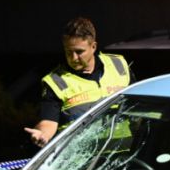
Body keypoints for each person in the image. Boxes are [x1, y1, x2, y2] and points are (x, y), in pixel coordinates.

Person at [24, 17, 131, 147]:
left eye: (79, 52)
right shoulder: (56, 81)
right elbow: (48, 122)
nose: (74, 58)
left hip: (126, 155)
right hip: (82, 162)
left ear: (93, 46)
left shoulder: (118, 65)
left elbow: (141, 104)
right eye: (69, 52)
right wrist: (43, 134)